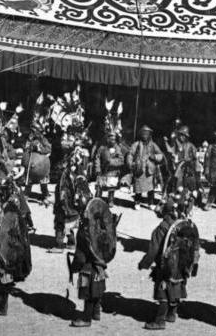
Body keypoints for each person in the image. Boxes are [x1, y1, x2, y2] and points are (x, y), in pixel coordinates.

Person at [138, 192, 200, 330]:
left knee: (163, 291)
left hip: (166, 266)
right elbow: (195, 246)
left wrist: (144, 263)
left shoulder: (161, 229)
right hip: (181, 266)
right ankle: (172, 314)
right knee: (177, 286)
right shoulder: (185, 225)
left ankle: (160, 321)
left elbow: (153, 250)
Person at [0, 176, 33, 320]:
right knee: (4, 278)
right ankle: (3, 307)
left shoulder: (9, 208)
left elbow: (5, 231)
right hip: (8, 247)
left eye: (0, 190)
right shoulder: (7, 204)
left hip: (8, 249)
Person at [68, 197, 118, 328]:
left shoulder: (84, 232)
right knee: (97, 289)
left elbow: (80, 255)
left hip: (88, 267)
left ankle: (86, 318)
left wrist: (75, 267)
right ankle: (96, 313)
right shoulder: (100, 227)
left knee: (88, 293)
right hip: (100, 266)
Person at [128, 125, 165, 209]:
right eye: (143, 133)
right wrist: (130, 163)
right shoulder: (136, 144)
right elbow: (130, 154)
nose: (145, 135)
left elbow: (161, 155)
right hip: (139, 168)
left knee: (150, 188)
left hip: (150, 170)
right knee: (138, 187)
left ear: (149, 135)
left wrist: (154, 157)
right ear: (141, 134)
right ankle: (137, 202)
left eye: (146, 134)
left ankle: (150, 203)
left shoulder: (153, 145)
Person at [94, 132, 125, 205]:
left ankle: (110, 200)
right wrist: (97, 168)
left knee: (111, 186)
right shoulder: (102, 148)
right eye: (110, 139)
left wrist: (112, 162)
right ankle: (97, 199)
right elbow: (97, 158)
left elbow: (121, 160)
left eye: (114, 139)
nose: (112, 141)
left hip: (112, 171)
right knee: (99, 185)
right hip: (102, 170)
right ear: (107, 139)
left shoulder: (117, 148)